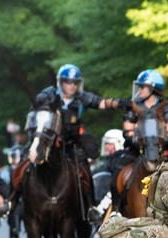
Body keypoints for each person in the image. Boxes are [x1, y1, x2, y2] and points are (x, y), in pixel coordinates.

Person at [27, 64, 126, 212]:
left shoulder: (82, 98)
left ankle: (91, 207)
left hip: (73, 144)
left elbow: (101, 102)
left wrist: (121, 103)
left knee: (84, 172)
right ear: (60, 82)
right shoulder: (48, 95)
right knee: (25, 168)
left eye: (75, 82)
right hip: (48, 143)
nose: (72, 86)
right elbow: (38, 107)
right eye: (68, 82)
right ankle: (15, 202)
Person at [123, 69, 168, 166]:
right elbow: (128, 132)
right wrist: (140, 144)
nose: (140, 90)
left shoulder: (166, 107)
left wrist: (157, 146)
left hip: (163, 149)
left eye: (142, 87)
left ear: (152, 88)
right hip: (136, 150)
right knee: (118, 168)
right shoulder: (132, 106)